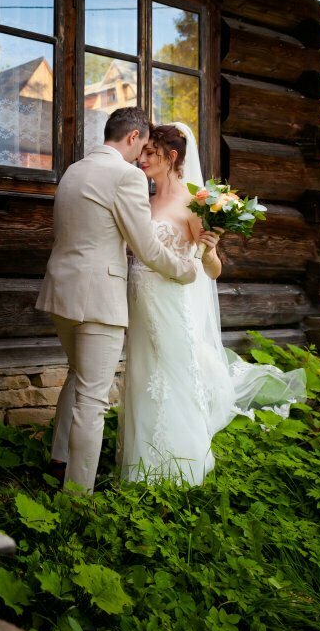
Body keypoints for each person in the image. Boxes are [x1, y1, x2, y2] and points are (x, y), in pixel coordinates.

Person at [117, 122, 306, 485]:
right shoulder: (144, 199)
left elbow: (213, 271)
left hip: (171, 303)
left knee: (171, 376)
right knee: (143, 375)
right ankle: (139, 468)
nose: (141, 158)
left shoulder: (193, 204)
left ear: (171, 157)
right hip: (141, 304)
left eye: (150, 153)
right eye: (142, 152)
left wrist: (211, 249)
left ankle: (181, 467)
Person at [35, 107, 200, 494]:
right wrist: (185, 271)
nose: (142, 157)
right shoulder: (125, 176)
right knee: (93, 399)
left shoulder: (73, 171)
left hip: (60, 292)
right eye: (143, 145)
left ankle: (59, 463)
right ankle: (77, 498)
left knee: (77, 379)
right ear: (133, 137)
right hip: (98, 301)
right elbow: (145, 247)